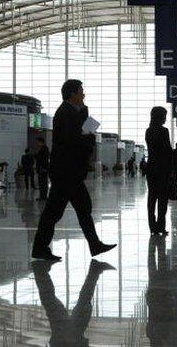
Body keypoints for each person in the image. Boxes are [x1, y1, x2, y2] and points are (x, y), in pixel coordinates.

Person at [32, 79, 116, 261]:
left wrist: (85, 117)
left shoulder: (74, 112)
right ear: (72, 94)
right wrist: (88, 140)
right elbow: (73, 141)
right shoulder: (64, 113)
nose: (83, 94)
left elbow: (81, 134)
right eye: (81, 91)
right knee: (54, 212)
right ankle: (40, 248)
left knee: (82, 208)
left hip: (71, 172)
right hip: (65, 172)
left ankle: (94, 245)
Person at [32, 259, 115, 347]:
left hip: (69, 338)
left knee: (80, 304)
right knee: (53, 303)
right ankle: (39, 270)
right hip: (65, 337)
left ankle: (39, 270)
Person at [145, 106, 173, 235]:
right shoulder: (164, 131)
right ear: (161, 117)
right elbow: (167, 150)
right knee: (162, 199)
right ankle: (161, 226)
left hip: (151, 168)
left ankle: (152, 227)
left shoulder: (148, 131)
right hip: (163, 169)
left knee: (152, 198)